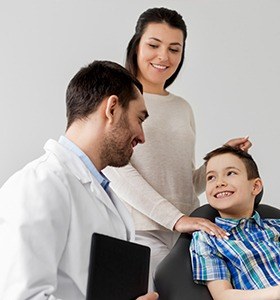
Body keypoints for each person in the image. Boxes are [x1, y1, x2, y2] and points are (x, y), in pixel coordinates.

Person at [103, 7, 252, 289]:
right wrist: (176, 219)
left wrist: (220, 159)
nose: (163, 57)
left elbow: (185, 182)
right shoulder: (118, 100)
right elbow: (118, 173)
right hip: (142, 231)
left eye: (174, 49)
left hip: (188, 232)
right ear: (136, 45)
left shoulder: (183, 108)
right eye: (154, 45)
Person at [0, 60, 158, 300]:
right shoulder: (39, 184)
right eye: (140, 119)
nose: (142, 137)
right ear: (112, 108)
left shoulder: (101, 191)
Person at [190, 145, 280, 300]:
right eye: (211, 177)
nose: (219, 183)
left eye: (230, 173)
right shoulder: (207, 239)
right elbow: (223, 296)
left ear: (255, 186)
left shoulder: (276, 226)